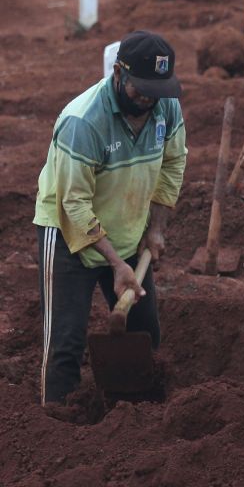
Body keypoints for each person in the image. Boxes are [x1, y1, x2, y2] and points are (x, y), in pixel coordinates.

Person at [33, 30, 187, 405]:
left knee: (144, 329)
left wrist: (156, 229)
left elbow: (173, 163)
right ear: (118, 73)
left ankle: (137, 412)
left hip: (129, 229)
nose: (149, 97)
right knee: (66, 340)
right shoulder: (83, 122)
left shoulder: (165, 107)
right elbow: (75, 205)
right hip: (68, 232)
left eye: (158, 88)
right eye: (141, 87)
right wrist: (116, 263)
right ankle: (57, 417)